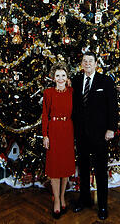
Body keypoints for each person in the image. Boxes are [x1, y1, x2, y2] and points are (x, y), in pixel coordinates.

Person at [72, 51, 118, 220]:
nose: (88, 63)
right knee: (83, 170)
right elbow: (74, 108)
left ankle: (103, 206)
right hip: (82, 134)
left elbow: (113, 107)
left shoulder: (105, 81)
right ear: (82, 64)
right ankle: (84, 199)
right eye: (85, 61)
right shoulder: (76, 81)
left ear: (96, 63)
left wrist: (111, 128)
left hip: (100, 135)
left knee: (100, 171)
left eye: (91, 61)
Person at [42, 62, 75, 219]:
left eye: (63, 75)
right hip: (53, 130)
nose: (60, 78)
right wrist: (45, 135)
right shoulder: (48, 93)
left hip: (68, 129)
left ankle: (62, 196)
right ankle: (56, 200)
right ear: (53, 78)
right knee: (55, 167)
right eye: (58, 76)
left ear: (67, 77)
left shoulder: (71, 91)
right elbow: (44, 115)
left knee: (66, 166)